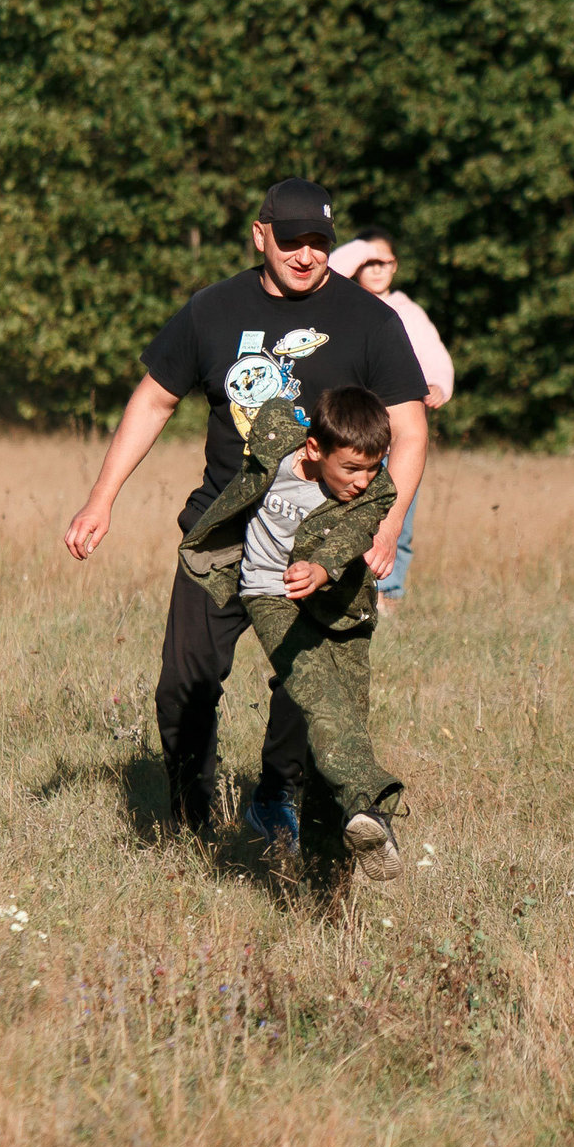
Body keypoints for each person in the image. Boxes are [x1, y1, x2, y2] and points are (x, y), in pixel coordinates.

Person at [63, 179, 429, 848]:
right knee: (184, 686)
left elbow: (408, 429)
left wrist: (383, 521)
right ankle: (190, 819)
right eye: (291, 239)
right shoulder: (212, 311)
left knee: (308, 684)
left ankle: (273, 795)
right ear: (260, 233)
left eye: (319, 241)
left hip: (320, 539)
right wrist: (101, 497)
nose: (306, 253)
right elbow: (153, 400)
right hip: (224, 535)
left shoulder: (370, 321)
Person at [178, 387, 406, 877]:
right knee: (320, 699)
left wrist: (321, 568)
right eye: (352, 469)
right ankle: (372, 807)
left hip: (343, 612)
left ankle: (330, 877)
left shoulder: (379, 490)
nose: (364, 481)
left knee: (342, 722)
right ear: (314, 449)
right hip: (269, 595)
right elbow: (270, 408)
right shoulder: (279, 439)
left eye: (374, 466)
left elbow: (350, 534)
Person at [327, 232, 452, 612]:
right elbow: (329, 268)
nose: (377, 269)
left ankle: (388, 594)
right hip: (349, 436)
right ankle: (338, 587)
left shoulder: (407, 310)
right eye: (369, 263)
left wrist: (438, 384)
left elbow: (434, 353)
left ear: (396, 267)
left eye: (385, 262)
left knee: (400, 515)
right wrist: (366, 249)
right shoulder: (341, 303)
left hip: (396, 438)